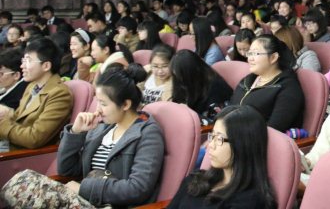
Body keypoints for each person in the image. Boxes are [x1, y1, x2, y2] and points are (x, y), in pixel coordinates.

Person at [0, 66, 165, 208]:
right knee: (21, 180)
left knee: (23, 189)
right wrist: (76, 133)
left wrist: (83, 188)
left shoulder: (147, 133)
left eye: (104, 104)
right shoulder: (103, 129)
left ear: (126, 104)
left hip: (107, 205)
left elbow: (138, 188)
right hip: (83, 199)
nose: (98, 109)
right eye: (97, 102)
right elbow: (67, 170)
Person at [167, 105, 275, 209]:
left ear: (242, 145)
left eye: (219, 139)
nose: (210, 145)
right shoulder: (196, 180)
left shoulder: (249, 202)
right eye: (212, 136)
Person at [0, 38, 73, 149]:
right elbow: (17, 118)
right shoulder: (32, 86)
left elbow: (34, 138)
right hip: (12, 145)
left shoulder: (60, 94)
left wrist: (2, 125)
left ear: (46, 66)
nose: (22, 66)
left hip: (24, 154)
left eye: (28, 61)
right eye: (23, 61)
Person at [230, 35, 304, 132]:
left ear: (273, 57)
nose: (249, 59)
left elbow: (273, 129)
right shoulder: (248, 80)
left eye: (255, 53)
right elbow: (229, 109)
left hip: (254, 138)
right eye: (250, 53)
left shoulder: (288, 89)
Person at [170, 50, 232, 123]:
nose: (178, 80)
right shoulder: (186, 82)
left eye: (180, 77)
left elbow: (212, 120)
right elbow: (177, 100)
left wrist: (188, 111)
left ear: (190, 73)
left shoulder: (214, 86)